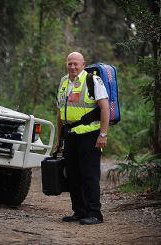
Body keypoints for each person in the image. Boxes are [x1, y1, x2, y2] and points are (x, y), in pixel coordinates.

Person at [56, 52, 109, 225]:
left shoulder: (92, 81)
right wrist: (59, 140)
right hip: (70, 136)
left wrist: (103, 134)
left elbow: (105, 108)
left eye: (76, 64)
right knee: (73, 176)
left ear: (83, 64)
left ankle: (95, 213)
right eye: (70, 63)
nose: (72, 67)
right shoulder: (64, 82)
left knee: (89, 175)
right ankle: (79, 211)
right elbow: (60, 113)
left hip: (90, 136)